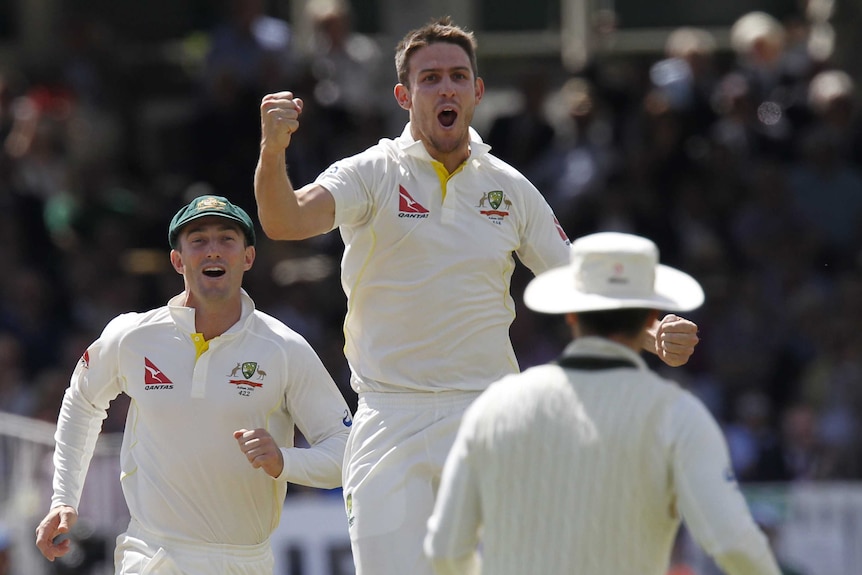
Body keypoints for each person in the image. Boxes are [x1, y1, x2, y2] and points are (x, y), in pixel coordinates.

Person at [254, 17, 700, 575]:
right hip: (392, 417)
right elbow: (283, 220)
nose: (446, 88)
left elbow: (576, 279)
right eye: (430, 78)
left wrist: (652, 331)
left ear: (477, 91)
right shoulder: (371, 174)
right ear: (403, 95)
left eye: (458, 77)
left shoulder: (509, 188)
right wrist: (273, 151)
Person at [424, 231, 782, 575]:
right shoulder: (678, 416)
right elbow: (734, 543)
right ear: (648, 317)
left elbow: (446, 550)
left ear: (571, 314)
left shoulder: (495, 409)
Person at [34, 194, 352, 574]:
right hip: (153, 554)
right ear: (177, 260)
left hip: (244, 560)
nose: (213, 251)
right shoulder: (133, 336)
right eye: (198, 240)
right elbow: (81, 402)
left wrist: (286, 460)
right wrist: (63, 498)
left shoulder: (283, 348)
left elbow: (344, 449)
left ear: (248, 257)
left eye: (227, 239)